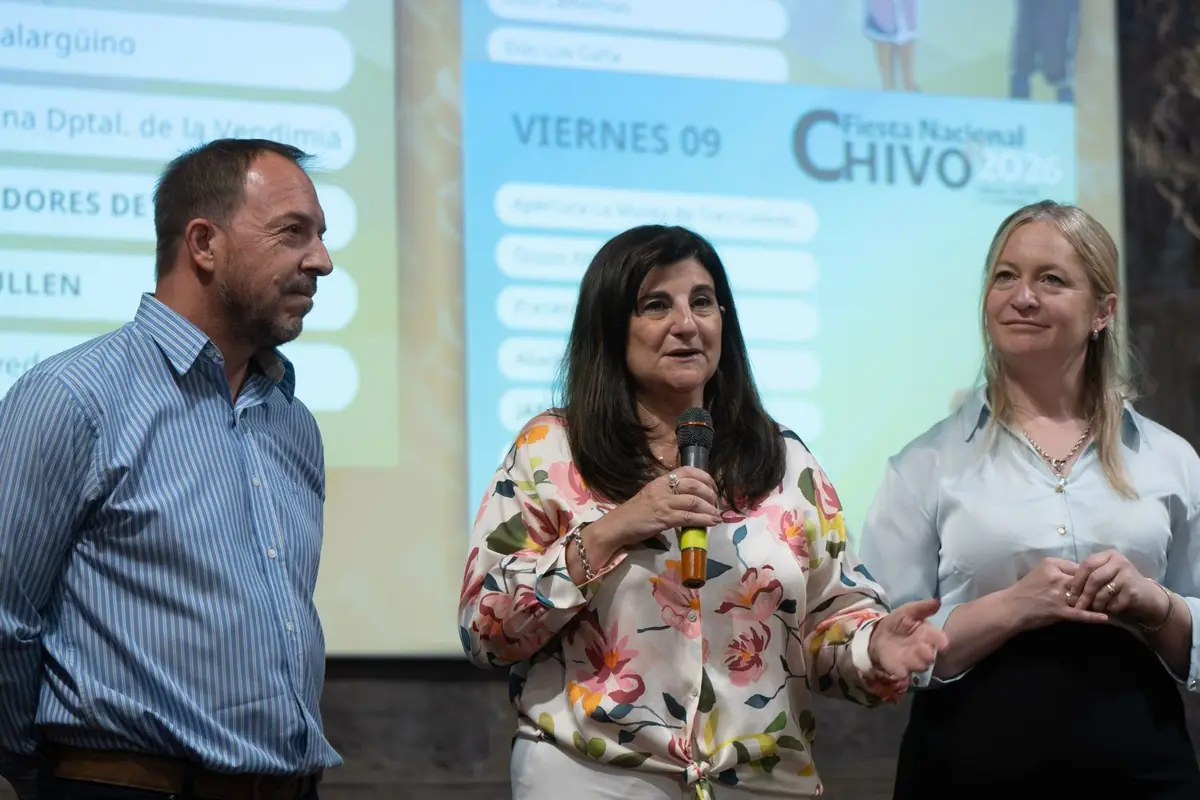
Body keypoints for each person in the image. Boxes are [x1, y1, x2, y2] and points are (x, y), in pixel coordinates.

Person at [458, 224, 950, 800]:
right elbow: (484, 628)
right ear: (612, 325)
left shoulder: (784, 460)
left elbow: (829, 622)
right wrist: (613, 530)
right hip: (597, 777)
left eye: (702, 303)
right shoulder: (553, 449)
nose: (686, 324)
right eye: (655, 306)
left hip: (765, 781)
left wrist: (873, 647)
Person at [0, 138, 339, 800]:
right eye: (292, 233)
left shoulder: (292, 422)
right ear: (204, 244)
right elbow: (5, 619)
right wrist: (42, 773)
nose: (321, 261)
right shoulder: (73, 397)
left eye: (321, 236)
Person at [859, 200, 1200, 798]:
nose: (1023, 296)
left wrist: (1153, 602)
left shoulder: (1169, 459)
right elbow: (883, 646)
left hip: (1141, 768)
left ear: (1103, 311)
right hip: (969, 769)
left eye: (1051, 279)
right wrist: (1015, 605)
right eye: (1005, 276)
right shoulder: (924, 465)